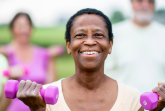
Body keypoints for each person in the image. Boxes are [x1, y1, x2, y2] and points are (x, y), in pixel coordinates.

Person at [8, 8, 165, 111]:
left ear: (110, 45)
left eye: (98, 35)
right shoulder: (45, 98)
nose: (89, 41)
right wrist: (38, 110)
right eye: (80, 35)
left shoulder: (133, 98)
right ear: (69, 46)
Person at [104, 0, 165, 93]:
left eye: (150, 1)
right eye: (140, 0)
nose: (145, 5)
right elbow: (104, 75)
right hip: (123, 106)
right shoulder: (113, 34)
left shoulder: (163, 33)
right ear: (131, 2)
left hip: (161, 106)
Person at [0, 12, 58, 111]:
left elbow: (51, 88)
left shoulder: (44, 54)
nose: (23, 30)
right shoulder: (4, 54)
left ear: (31, 29)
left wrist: (51, 58)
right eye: (20, 26)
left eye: (27, 26)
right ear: (12, 29)